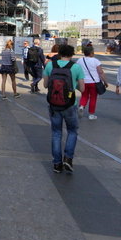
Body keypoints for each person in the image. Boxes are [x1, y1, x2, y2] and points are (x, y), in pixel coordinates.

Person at [43, 44, 85, 173]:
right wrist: (73, 85)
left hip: (54, 104)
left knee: (56, 133)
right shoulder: (76, 67)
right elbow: (82, 89)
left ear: (59, 53)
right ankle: (68, 158)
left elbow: (45, 85)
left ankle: (57, 163)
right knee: (72, 131)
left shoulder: (50, 65)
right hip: (70, 105)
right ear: (72, 54)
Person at [76, 45, 108, 120]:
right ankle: (91, 114)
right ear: (91, 53)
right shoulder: (95, 61)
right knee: (93, 98)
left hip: (83, 81)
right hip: (94, 82)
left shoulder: (80, 60)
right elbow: (100, 72)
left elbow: (77, 70)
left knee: (84, 95)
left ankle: (81, 106)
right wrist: (105, 81)